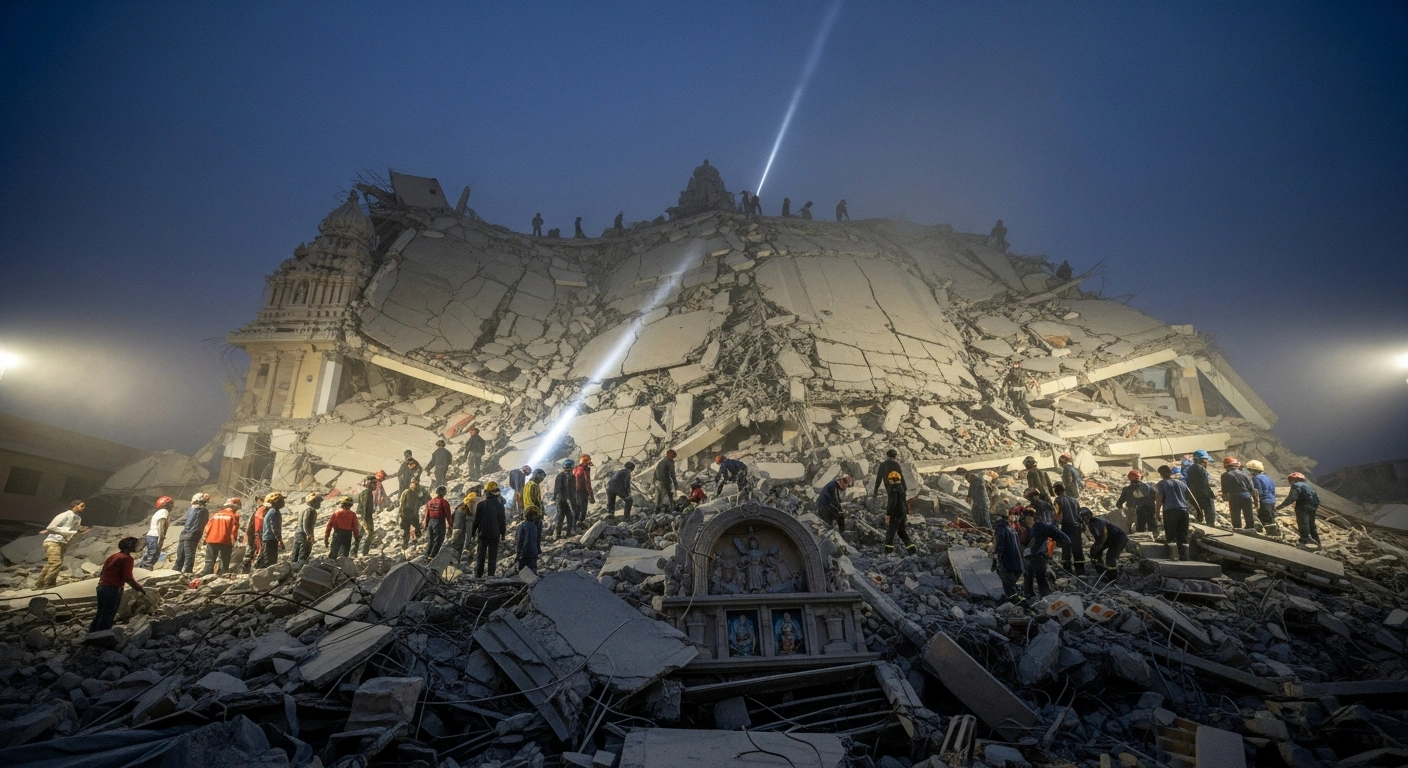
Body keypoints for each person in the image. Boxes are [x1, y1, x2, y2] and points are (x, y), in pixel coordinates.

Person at [91, 537, 148, 632]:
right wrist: (138, 588)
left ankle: (91, 634)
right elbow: (128, 577)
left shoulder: (113, 556)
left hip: (102, 587)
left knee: (100, 613)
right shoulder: (127, 558)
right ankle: (101, 636)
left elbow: (102, 572)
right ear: (131, 546)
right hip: (113, 588)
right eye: (136, 545)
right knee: (108, 615)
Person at [35, 500, 87, 589]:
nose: (83, 508)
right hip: (53, 541)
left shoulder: (77, 518)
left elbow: (74, 529)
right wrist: (69, 532)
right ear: (75, 505)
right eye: (81, 506)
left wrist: (79, 530)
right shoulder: (64, 515)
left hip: (63, 542)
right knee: (56, 562)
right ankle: (48, 583)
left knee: (51, 563)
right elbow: (51, 527)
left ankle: (40, 584)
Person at [1155, 464, 1202, 561]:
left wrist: (1157, 513)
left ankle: (1173, 557)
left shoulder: (1161, 484)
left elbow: (1159, 499)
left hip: (1170, 511)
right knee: (1183, 535)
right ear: (1170, 472)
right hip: (1183, 511)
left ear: (1161, 474)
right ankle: (1185, 557)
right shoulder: (1181, 483)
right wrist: (1199, 510)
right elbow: (1191, 497)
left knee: (1171, 535)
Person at [1022, 510, 1070, 599]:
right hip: (1032, 555)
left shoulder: (1040, 526)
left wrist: (1063, 540)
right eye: (1026, 519)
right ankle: (1029, 593)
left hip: (1039, 555)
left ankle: (1044, 594)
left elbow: (1051, 533)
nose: (1027, 521)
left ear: (1033, 519)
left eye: (1029, 518)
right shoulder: (1029, 529)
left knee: (1040, 575)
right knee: (1028, 573)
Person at [471, 481, 507, 577]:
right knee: (492, 557)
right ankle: (491, 576)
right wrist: (503, 533)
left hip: (483, 534)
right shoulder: (500, 505)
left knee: (480, 556)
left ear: (486, 492)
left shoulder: (481, 505)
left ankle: (478, 576)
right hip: (495, 534)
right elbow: (502, 520)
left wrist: (473, 532)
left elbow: (476, 521)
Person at [991, 510, 1025, 606]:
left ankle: (1017, 604)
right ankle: (1018, 602)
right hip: (1018, 565)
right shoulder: (1012, 530)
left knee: (1009, 587)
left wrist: (995, 562)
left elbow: (999, 548)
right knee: (1013, 586)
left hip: (1007, 564)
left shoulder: (1000, 530)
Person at [1278, 472, 1321, 547]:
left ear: (1292, 480)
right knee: (1311, 524)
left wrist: (1280, 507)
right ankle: (1317, 542)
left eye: (1290, 481)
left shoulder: (1296, 485)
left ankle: (1306, 541)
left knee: (1303, 523)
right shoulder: (1308, 486)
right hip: (1313, 506)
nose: (1290, 483)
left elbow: (1291, 498)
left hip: (1303, 506)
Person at [1082, 508, 1128, 579]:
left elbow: (1103, 535)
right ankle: (1100, 567)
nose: (1083, 519)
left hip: (1119, 538)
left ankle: (1112, 575)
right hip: (1111, 538)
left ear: (1089, 516)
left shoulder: (1097, 523)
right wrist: (1095, 549)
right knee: (1096, 550)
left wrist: (1098, 546)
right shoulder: (1091, 524)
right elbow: (1098, 538)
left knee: (1110, 556)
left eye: (1084, 517)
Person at [201, 499, 241, 575]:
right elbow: (234, 530)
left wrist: (205, 539)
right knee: (224, 559)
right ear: (234, 507)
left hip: (212, 539)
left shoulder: (216, 515)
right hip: (225, 540)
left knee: (210, 559)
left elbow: (207, 528)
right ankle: (222, 573)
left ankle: (206, 573)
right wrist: (234, 541)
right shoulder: (234, 516)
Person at [1053, 483, 1085, 575]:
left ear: (1056, 491)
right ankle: (1080, 571)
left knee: (1066, 549)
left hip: (1066, 527)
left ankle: (1067, 571)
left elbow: (1058, 515)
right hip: (1077, 528)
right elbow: (1080, 515)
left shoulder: (1058, 500)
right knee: (1077, 550)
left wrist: (1056, 527)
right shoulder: (1074, 501)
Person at [174, 494, 210, 575]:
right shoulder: (201, 510)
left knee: (185, 555)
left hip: (190, 534)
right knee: (185, 555)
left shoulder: (197, 510)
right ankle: (180, 571)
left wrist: (172, 523)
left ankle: (184, 572)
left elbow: (183, 519)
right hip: (190, 535)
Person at [1116, 470, 1158, 535]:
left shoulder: (1127, 489)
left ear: (1129, 478)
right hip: (1150, 510)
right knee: (1152, 527)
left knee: (1140, 530)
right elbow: (1155, 497)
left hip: (1136, 512)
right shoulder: (1149, 487)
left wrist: (1123, 511)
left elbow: (1119, 503)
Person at [883, 471, 915, 554]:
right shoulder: (901, 488)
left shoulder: (893, 489)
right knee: (901, 531)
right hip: (903, 511)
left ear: (890, 480)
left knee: (891, 531)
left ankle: (888, 549)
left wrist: (888, 514)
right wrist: (906, 511)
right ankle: (911, 548)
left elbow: (892, 502)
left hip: (896, 512)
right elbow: (904, 500)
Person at [1220, 457, 1256, 530]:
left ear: (1225, 466)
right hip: (1246, 496)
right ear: (1236, 465)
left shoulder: (1224, 475)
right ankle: (1250, 528)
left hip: (1234, 497)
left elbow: (1224, 489)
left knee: (1235, 515)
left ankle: (1237, 529)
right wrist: (1251, 495)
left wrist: (1225, 496)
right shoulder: (1245, 474)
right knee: (1248, 514)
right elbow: (1251, 487)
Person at [140, 496, 174, 569]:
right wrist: (161, 538)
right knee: (153, 556)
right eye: (171, 504)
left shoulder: (159, 512)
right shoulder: (164, 512)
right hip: (155, 537)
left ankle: (142, 569)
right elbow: (161, 524)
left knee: (149, 555)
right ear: (166, 505)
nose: (172, 506)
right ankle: (146, 570)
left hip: (150, 536)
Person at [1185, 450, 1217, 526]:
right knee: (1210, 514)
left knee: (1199, 514)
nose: (1206, 464)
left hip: (1195, 495)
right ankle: (1210, 527)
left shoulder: (1191, 469)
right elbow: (1204, 483)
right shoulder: (1199, 468)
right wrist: (1211, 494)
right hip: (1204, 495)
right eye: (1204, 462)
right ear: (1197, 460)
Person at [1246, 460, 1278, 533]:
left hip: (1264, 502)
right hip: (1272, 501)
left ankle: (1271, 534)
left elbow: (1258, 492)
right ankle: (1274, 533)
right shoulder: (1268, 478)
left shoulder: (1257, 478)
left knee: (1265, 520)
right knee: (1271, 519)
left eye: (1249, 470)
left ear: (1253, 470)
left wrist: (1256, 504)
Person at [257, 493, 285, 568]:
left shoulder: (271, 511)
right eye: (282, 500)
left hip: (268, 539)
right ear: (275, 502)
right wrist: (279, 540)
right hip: (271, 540)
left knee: (266, 560)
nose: (283, 502)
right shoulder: (274, 512)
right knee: (270, 562)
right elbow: (274, 527)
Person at [424, 485, 452, 559]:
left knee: (431, 540)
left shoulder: (430, 502)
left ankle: (427, 555)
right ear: (443, 493)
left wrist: (426, 525)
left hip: (430, 522)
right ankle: (432, 556)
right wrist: (450, 525)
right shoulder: (444, 502)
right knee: (439, 539)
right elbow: (448, 515)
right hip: (439, 522)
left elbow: (427, 514)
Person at [292, 493, 322, 562]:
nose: (319, 504)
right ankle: (300, 566)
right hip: (304, 534)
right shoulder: (311, 510)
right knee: (303, 553)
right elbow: (306, 524)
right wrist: (310, 535)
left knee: (296, 552)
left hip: (298, 533)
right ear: (314, 501)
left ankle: (293, 565)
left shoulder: (303, 508)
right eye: (319, 502)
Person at [398, 478, 429, 546]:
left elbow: (420, 501)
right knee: (407, 530)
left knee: (417, 526)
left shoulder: (417, 492)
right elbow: (402, 503)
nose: (414, 485)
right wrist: (401, 514)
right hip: (406, 514)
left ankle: (417, 539)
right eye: (413, 483)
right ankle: (405, 544)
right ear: (410, 484)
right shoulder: (407, 492)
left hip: (413, 514)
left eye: (416, 484)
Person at [241, 495, 267, 573]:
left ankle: (247, 571)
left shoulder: (260, 510)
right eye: (259, 500)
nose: (259, 502)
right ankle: (250, 571)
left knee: (251, 553)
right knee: (254, 553)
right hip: (255, 534)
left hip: (254, 534)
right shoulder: (262, 510)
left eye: (261, 500)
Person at [516, 506, 544, 574]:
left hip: (524, 554)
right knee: (532, 571)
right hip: (533, 553)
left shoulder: (522, 526)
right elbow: (537, 540)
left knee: (524, 573)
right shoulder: (535, 526)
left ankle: (527, 580)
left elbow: (519, 541)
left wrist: (518, 554)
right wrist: (538, 550)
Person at [553, 460, 577, 538]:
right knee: (561, 516)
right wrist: (569, 500)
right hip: (562, 499)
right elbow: (559, 489)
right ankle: (558, 534)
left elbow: (572, 490)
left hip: (563, 499)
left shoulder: (565, 476)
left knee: (569, 516)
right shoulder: (564, 476)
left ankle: (566, 533)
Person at [357, 475, 378, 555]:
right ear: (369, 483)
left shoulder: (363, 493)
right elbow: (365, 506)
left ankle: (353, 552)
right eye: (374, 483)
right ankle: (364, 553)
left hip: (363, 517)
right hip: (366, 517)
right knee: (369, 534)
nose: (375, 485)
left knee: (359, 535)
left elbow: (360, 507)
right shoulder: (368, 493)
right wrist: (365, 519)